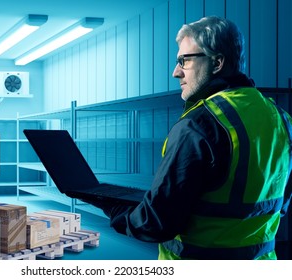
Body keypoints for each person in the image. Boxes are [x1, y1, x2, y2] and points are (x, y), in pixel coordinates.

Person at [82, 16, 292, 260]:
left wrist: (110, 205)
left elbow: (155, 225)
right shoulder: (281, 120)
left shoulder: (200, 125)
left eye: (184, 61)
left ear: (217, 63)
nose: (175, 72)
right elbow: (280, 205)